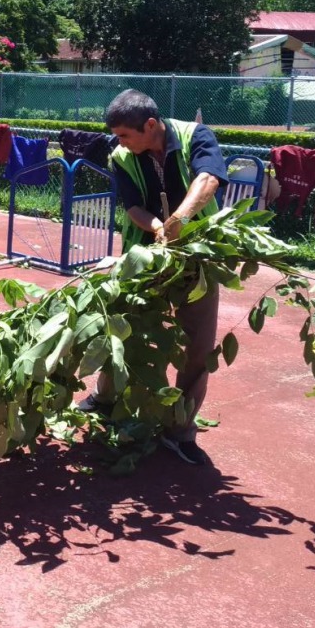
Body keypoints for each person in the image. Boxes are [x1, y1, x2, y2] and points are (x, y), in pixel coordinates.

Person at [79, 89, 228, 467]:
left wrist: (179, 220)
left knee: (197, 346)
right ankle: (106, 398)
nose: (119, 142)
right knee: (122, 329)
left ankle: (180, 431)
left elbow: (208, 178)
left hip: (197, 260)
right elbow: (133, 207)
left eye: (124, 135)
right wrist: (160, 227)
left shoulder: (196, 136)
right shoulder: (122, 157)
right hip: (145, 258)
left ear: (149, 125)